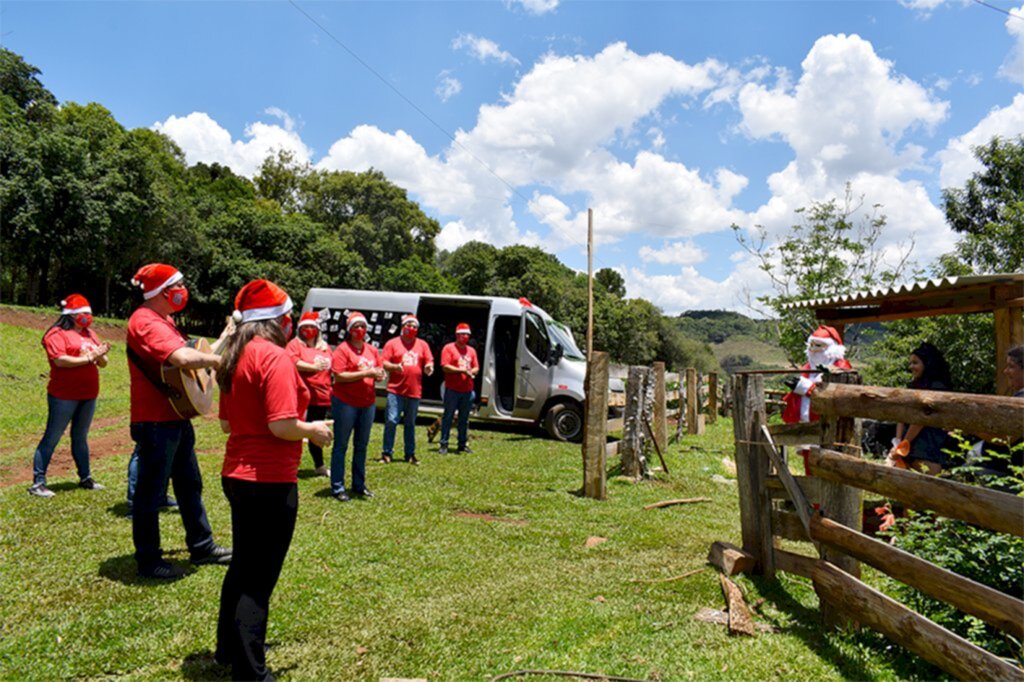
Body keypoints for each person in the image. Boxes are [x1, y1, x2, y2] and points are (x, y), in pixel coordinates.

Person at [215, 280, 333, 681]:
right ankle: (251, 673)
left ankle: (227, 649)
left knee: (243, 567)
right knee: (258, 580)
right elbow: (282, 424)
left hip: (237, 474)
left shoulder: (234, 355)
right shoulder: (276, 358)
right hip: (268, 480)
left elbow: (228, 421)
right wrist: (313, 430)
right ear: (279, 320)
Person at [126, 263, 230, 580]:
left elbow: (195, 357)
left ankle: (202, 546)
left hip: (174, 417)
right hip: (156, 421)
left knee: (190, 485)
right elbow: (183, 359)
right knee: (150, 493)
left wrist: (226, 337)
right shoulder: (145, 322)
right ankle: (148, 560)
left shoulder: (164, 320)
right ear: (163, 291)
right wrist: (220, 361)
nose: (183, 290)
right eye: (179, 284)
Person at [28, 294, 110, 497]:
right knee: (52, 437)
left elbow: (104, 362)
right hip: (64, 395)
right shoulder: (56, 334)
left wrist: (99, 356)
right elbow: (60, 360)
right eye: (83, 314)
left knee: (80, 437)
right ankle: (38, 483)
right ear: (71, 315)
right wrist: (90, 356)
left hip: (88, 394)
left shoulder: (90, 333)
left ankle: (86, 478)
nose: (88, 317)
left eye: (89, 314)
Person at [329, 311, 384, 501]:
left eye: (362, 326)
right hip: (346, 403)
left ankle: (358, 485)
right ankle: (338, 487)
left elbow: (378, 369)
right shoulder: (343, 350)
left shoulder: (372, 350)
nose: (360, 330)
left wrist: (379, 374)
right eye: (356, 327)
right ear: (349, 330)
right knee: (341, 445)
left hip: (367, 403)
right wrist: (366, 373)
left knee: (361, 445)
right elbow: (339, 376)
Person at [886, 342, 953, 475]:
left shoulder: (937, 387)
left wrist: (905, 443)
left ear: (927, 364)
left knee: (928, 475)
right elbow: (901, 415)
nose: (911, 367)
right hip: (909, 440)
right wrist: (898, 443)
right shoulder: (913, 386)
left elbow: (921, 418)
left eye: (915, 363)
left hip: (927, 443)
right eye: (910, 363)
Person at [380, 314, 434, 465]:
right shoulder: (392, 343)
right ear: (403, 327)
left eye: (415, 326)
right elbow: (383, 362)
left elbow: (429, 361)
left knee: (410, 423)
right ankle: (386, 453)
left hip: (414, 391)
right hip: (395, 390)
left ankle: (410, 454)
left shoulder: (422, 344)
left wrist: (429, 367)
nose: (412, 328)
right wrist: (394, 367)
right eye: (409, 325)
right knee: (391, 421)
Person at [286, 312, 332, 477]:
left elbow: (331, 369)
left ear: (317, 329)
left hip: (321, 397)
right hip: (300, 397)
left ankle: (319, 465)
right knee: (295, 431)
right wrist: (312, 367)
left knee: (316, 432)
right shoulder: (295, 345)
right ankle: (289, 465)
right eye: (304, 327)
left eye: (311, 327)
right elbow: (292, 362)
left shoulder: (324, 348)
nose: (308, 330)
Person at [782, 325, 854, 424]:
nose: (813, 350)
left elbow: (838, 396)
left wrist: (808, 388)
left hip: (828, 424)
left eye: (818, 345)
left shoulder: (841, 367)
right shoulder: (808, 367)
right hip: (803, 423)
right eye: (811, 345)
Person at [439, 323, 479, 455]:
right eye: (463, 334)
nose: (466, 337)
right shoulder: (449, 348)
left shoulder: (471, 351)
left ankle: (462, 444)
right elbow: (445, 366)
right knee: (448, 417)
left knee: (464, 418)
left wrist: (471, 371)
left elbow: (476, 367)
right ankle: (444, 444)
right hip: (452, 390)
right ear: (457, 335)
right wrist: (461, 370)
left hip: (467, 391)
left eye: (468, 334)